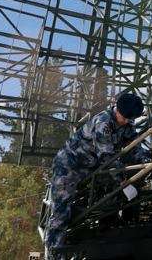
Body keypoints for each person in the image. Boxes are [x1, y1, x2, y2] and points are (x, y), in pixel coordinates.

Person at [45, 91, 146, 259]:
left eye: (131, 119)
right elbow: (107, 158)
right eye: (127, 118)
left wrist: (144, 163)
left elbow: (134, 145)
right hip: (69, 167)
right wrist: (124, 182)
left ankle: (108, 225)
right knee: (61, 213)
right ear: (118, 111)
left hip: (92, 166)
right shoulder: (103, 123)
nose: (129, 122)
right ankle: (55, 255)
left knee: (109, 195)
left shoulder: (127, 122)